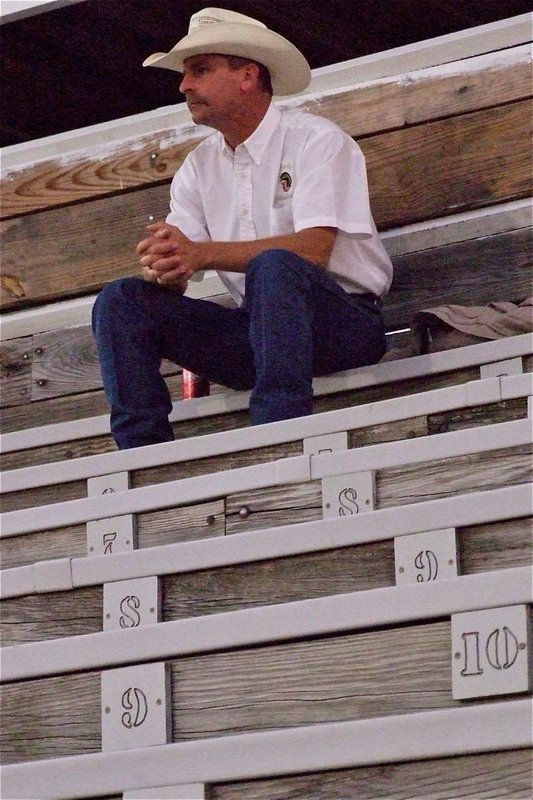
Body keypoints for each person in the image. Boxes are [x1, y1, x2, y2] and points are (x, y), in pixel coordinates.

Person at [92, 7, 393, 450]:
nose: (184, 85)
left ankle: (277, 435)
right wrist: (164, 265)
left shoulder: (317, 140)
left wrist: (201, 253)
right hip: (259, 336)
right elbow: (183, 267)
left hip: (345, 328)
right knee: (121, 300)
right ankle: (141, 458)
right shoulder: (198, 167)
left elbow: (312, 251)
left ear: (248, 76)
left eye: (199, 70)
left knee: (275, 268)